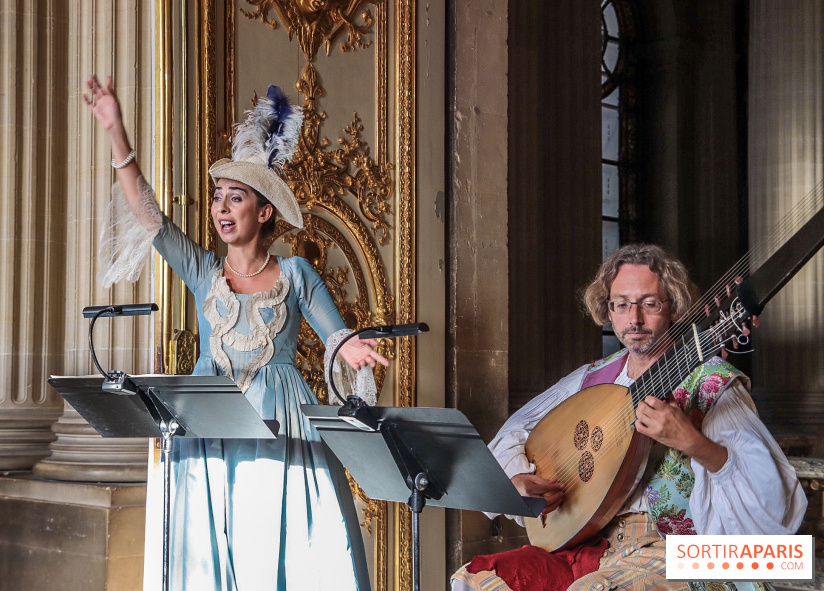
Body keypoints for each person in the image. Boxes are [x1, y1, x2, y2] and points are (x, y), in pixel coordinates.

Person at [84, 74, 388, 590]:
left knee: (277, 545)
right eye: (219, 197)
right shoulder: (203, 271)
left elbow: (336, 335)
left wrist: (351, 346)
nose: (222, 208)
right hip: (208, 422)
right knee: (211, 549)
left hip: (281, 425)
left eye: (236, 198)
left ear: (264, 212)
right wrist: (117, 134)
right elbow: (150, 218)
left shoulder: (296, 275)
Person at [452, 243, 807, 591]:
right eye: (621, 305)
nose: (634, 319)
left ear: (675, 307)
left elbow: (774, 505)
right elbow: (514, 432)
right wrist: (517, 481)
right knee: (478, 578)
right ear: (608, 311)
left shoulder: (711, 382)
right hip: (593, 547)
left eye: (649, 304)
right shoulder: (592, 378)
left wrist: (694, 443)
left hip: (684, 554)